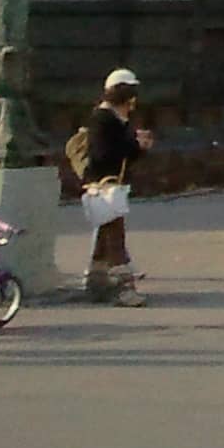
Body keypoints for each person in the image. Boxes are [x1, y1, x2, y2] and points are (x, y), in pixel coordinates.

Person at [80, 68, 156, 305]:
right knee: (115, 240)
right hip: (105, 187)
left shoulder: (113, 119)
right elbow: (104, 155)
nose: (134, 103)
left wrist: (136, 146)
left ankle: (97, 284)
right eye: (131, 96)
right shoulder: (103, 120)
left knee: (104, 239)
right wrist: (135, 145)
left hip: (108, 186)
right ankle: (124, 291)